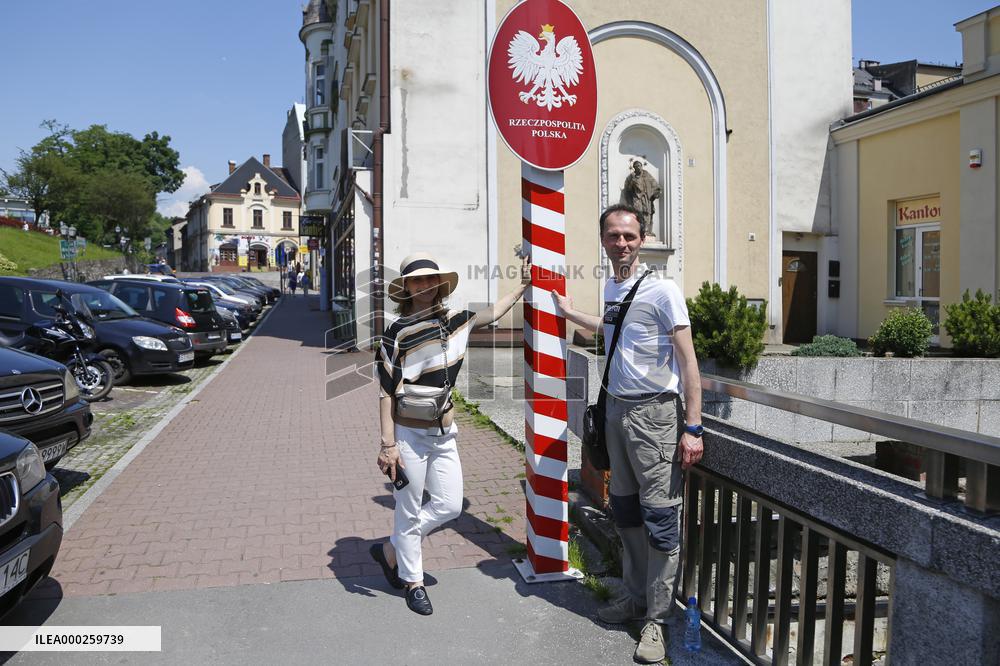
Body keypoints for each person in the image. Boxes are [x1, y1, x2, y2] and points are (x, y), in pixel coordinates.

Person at [552, 203, 704, 664]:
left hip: (656, 418)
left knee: (660, 521)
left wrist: (692, 427)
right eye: (613, 236)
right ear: (603, 240)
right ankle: (636, 597)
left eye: (629, 236)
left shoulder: (663, 291)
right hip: (616, 411)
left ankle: (657, 620)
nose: (621, 243)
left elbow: (688, 362)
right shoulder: (613, 285)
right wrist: (571, 313)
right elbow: (613, 330)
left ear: (643, 239)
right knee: (625, 512)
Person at [371, 251, 529, 616]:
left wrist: (523, 285)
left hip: (444, 432)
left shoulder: (456, 321)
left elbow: (492, 313)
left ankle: (392, 549)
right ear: (406, 287)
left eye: (430, 279)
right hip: (408, 435)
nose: (424, 285)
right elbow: (384, 391)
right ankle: (413, 581)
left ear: (439, 284)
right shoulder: (397, 332)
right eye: (417, 280)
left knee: (450, 504)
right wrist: (388, 444)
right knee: (408, 510)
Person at [621, 159, 662, 240]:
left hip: (646, 198)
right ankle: (638, 229)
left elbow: (654, 184)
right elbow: (627, 190)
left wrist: (656, 192)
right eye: (636, 167)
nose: (638, 168)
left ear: (642, 166)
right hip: (636, 198)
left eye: (639, 166)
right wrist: (631, 183)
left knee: (647, 213)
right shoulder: (631, 177)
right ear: (634, 168)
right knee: (637, 213)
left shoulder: (646, 175)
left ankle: (646, 231)